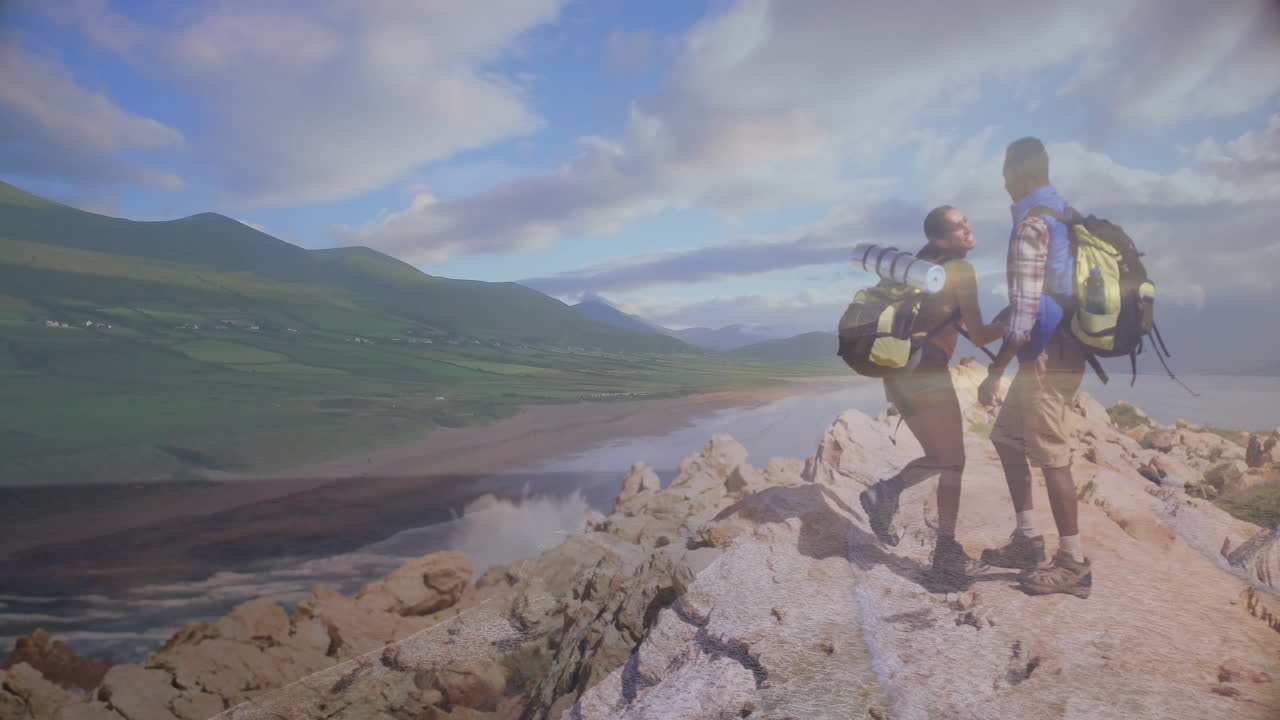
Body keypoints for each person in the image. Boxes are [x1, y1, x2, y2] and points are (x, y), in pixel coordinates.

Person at [859, 205, 1005, 591]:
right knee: (953, 461)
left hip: (896, 372)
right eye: (960, 226)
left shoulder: (919, 268)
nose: (969, 228)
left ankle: (885, 494)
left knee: (943, 457)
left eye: (967, 221)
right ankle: (945, 555)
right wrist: (1008, 322)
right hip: (926, 372)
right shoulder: (960, 270)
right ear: (941, 238)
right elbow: (980, 334)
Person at [976, 136, 1092, 599]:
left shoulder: (1031, 225)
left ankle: (1074, 564)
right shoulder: (1064, 212)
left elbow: (1024, 318)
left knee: (1052, 456)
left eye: (1006, 174)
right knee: (1007, 438)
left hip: (1046, 357)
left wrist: (995, 371)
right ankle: (1027, 541)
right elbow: (1048, 295)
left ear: (1019, 173)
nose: (1003, 183)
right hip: (1062, 349)